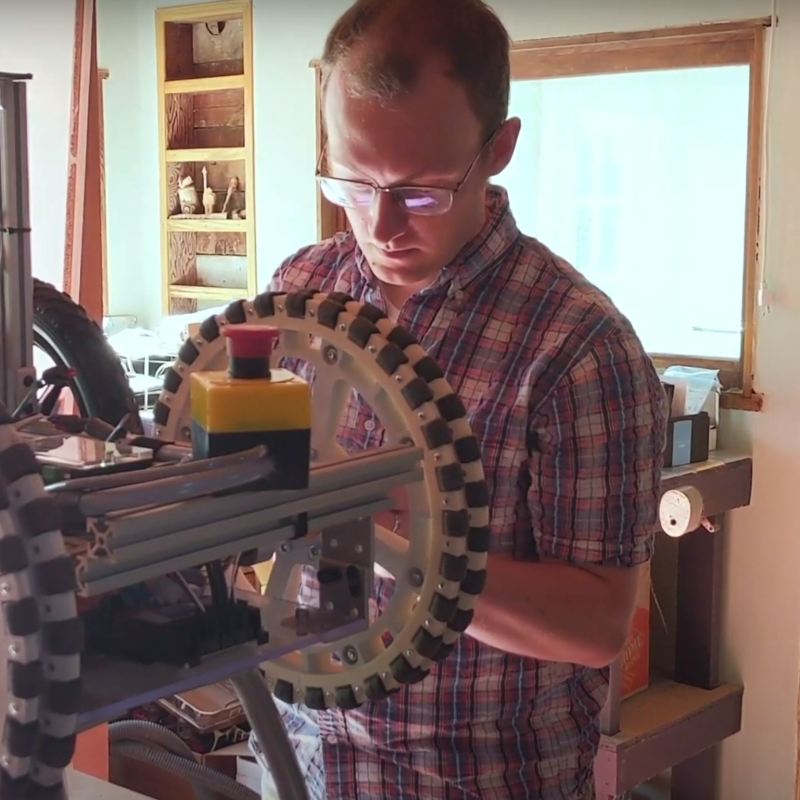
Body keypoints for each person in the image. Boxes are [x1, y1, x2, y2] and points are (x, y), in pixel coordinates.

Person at [256, 0, 667, 797]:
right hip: (303, 760)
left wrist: (377, 528)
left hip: (474, 779)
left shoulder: (578, 350)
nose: (381, 225)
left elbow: (594, 626)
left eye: (421, 192)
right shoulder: (302, 288)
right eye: (352, 180)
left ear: (499, 148)